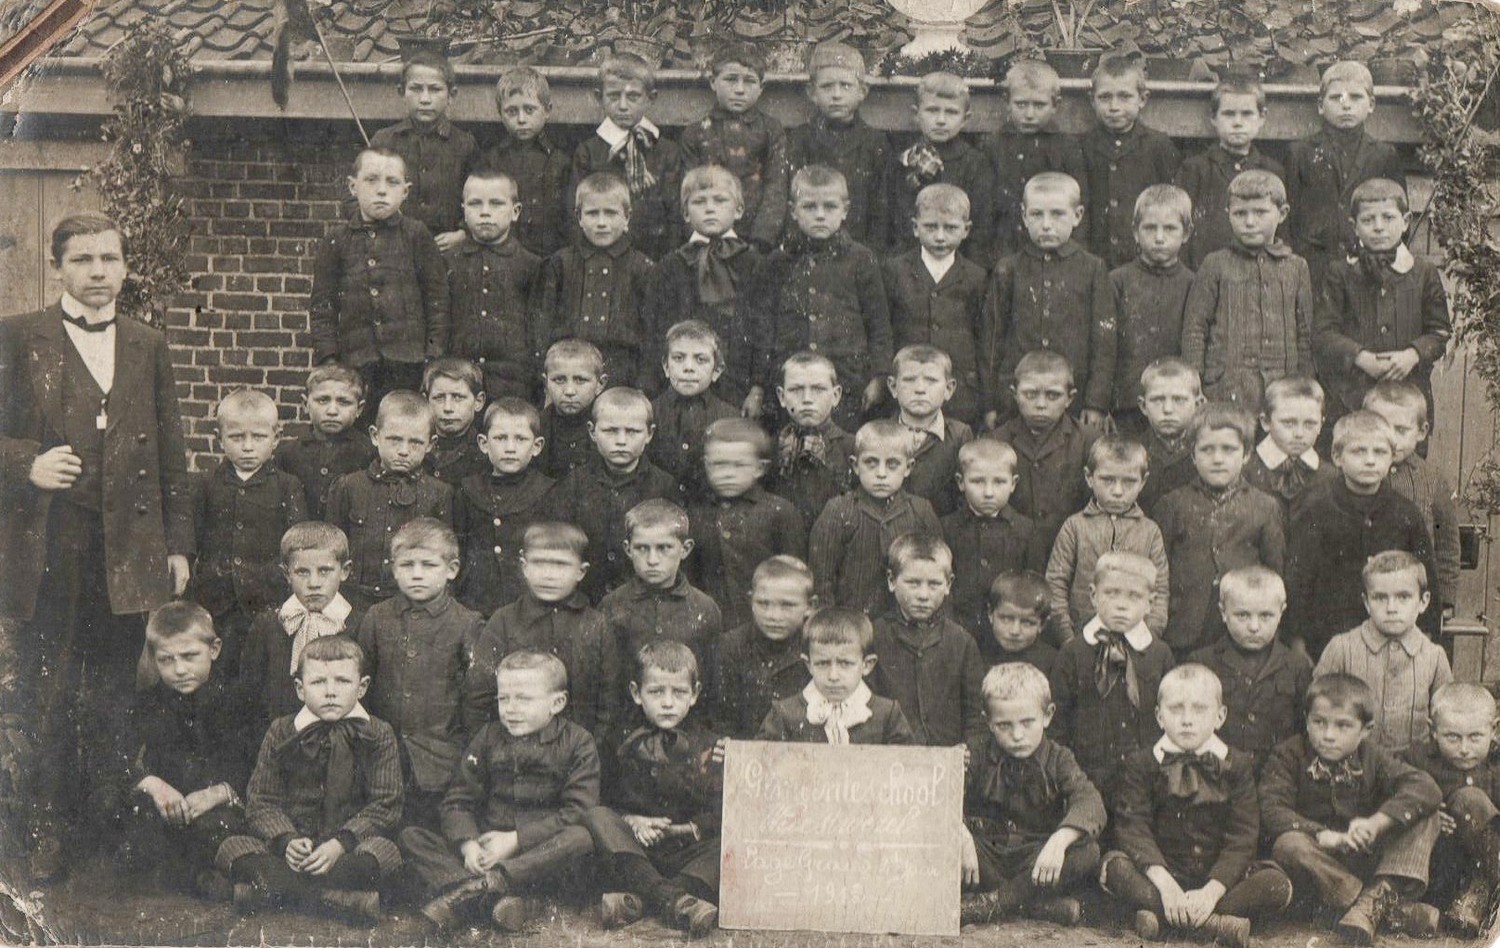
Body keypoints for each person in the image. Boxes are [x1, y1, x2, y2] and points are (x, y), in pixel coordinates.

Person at [0, 212, 193, 878]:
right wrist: (25, 463)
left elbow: (171, 450)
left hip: (127, 549)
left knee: (116, 689)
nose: (98, 272)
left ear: (125, 266)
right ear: (58, 267)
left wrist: (177, 544)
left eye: (109, 258)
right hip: (50, 545)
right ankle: (46, 831)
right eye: (82, 260)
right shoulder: (17, 336)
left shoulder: (147, 343)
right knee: (46, 690)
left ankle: (109, 829)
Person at [402, 651, 598, 933]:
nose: (511, 709)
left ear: (557, 703)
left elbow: (578, 810)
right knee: (411, 835)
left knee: (581, 838)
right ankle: (485, 893)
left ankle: (477, 893)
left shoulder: (577, 742)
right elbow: (458, 800)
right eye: (504, 699)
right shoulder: (488, 736)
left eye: (524, 699)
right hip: (486, 847)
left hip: (537, 853)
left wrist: (516, 839)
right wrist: (468, 844)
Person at [217, 635, 403, 927]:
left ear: (362, 686)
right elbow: (261, 801)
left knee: (383, 855)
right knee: (231, 848)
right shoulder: (281, 731)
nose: (330, 692)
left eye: (343, 681)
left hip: (348, 849)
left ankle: (272, 893)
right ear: (300, 689)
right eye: (318, 682)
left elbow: (385, 804)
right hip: (292, 850)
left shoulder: (378, 734)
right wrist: (287, 841)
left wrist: (339, 844)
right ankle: (338, 899)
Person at [1102, 664, 1293, 948]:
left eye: (1199, 710)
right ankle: (1215, 925)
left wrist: (1212, 891)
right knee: (1114, 868)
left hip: (1217, 880)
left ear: (1220, 716)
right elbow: (1134, 828)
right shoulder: (1142, 764)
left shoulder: (1237, 765)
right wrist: (1166, 886)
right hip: (1163, 876)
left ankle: (1165, 919)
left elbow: (1242, 836)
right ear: (1159, 716)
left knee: (1275, 884)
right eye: (1176, 709)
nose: (1187, 720)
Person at [1261, 673, 1443, 945]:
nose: (1328, 735)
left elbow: (1425, 786)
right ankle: (1377, 908)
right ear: (1306, 720)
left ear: (1365, 729)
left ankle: (1378, 896)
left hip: (1366, 858)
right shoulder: (1288, 755)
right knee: (1288, 844)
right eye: (1319, 722)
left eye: (1343, 725)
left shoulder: (1373, 756)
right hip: (1321, 865)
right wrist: (1322, 834)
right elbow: (1272, 808)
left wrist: (1376, 823)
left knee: (1429, 816)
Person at [105, 602, 254, 897]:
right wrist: (152, 784)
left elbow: (253, 761)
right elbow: (115, 756)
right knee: (121, 813)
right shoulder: (148, 703)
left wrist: (219, 792)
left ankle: (201, 877)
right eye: (166, 660)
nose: (180, 670)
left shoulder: (237, 699)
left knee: (217, 829)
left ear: (214, 649)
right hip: (168, 806)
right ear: (153, 660)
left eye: (189, 656)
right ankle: (196, 874)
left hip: (217, 808)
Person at [583, 642, 721, 937]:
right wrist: (633, 821)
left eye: (679, 692)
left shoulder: (709, 745)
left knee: (727, 847)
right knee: (597, 817)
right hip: (637, 852)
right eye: (656, 692)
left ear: (694, 693)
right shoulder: (618, 742)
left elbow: (717, 810)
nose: (667, 703)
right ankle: (675, 901)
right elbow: (605, 798)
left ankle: (643, 901)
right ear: (637, 693)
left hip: (685, 852)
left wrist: (680, 830)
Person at [743, 165, 893, 429]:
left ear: (845, 210)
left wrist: (879, 377)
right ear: (793, 211)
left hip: (847, 383)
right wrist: (757, 387)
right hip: (790, 385)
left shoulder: (861, 260)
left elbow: (878, 324)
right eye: (810, 207)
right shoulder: (777, 263)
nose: (820, 215)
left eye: (830, 207)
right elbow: (764, 328)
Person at [356, 518, 483, 828]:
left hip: (441, 760)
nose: (416, 574)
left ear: (452, 569)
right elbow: (361, 684)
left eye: (428, 565)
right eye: (406, 565)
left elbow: (475, 700)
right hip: (382, 756)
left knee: (426, 830)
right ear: (394, 569)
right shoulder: (377, 617)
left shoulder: (467, 623)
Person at [959, 663, 1104, 927]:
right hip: (988, 855)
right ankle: (1034, 906)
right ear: (988, 721)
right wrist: (961, 835)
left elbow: (1090, 801)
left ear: (1047, 715)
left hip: (1035, 859)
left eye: (1027, 723)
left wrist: (1059, 842)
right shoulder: (976, 753)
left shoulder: (1059, 758)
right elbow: (944, 798)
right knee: (948, 840)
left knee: (1088, 851)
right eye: (1004, 725)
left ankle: (994, 903)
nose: (1017, 735)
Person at [1284, 410, 1436, 658]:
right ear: (1337, 457)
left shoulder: (1405, 513)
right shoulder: (1316, 511)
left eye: (1380, 452)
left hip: (1392, 639)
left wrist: (1426, 636)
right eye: (1358, 451)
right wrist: (1297, 643)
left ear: (1392, 457)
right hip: (1327, 639)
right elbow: (1298, 581)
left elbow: (1426, 575)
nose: (1370, 460)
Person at [309, 148, 449, 415]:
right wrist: (330, 360)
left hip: (409, 364)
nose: (382, 190)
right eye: (371, 180)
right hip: (355, 364)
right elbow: (322, 307)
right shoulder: (337, 240)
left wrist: (433, 357)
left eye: (392, 182)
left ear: (405, 191)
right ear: (353, 186)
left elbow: (437, 300)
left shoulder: (416, 235)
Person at [1315, 178, 1451, 428]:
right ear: (1354, 226)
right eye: (1368, 220)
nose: (1379, 227)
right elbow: (1324, 332)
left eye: (1388, 218)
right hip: (1352, 396)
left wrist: (1413, 354)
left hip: (1408, 394)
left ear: (1406, 221)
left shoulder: (1424, 273)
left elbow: (1439, 332)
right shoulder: (1340, 272)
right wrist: (1360, 357)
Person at [188, 390, 307, 675]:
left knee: (260, 671)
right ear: (219, 438)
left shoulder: (287, 486)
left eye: (259, 437)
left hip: (268, 600)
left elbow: (297, 546)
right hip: (215, 601)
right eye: (237, 437)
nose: (248, 447)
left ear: (276, 438)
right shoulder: (205, 484)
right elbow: (192, 538)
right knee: (217, 672)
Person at [983, 172, 1115, 427]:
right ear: (1024, 216)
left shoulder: (1093, 268)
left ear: (1077, 215)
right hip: (1017, 401)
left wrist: (1096, 403)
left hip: (1073, 400)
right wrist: (990, 404)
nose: (1046, 225)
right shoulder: (1008, 268)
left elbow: (1104, 343)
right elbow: (992, 340)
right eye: (1036, 214)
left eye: (1057, 214)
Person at [1153, 403, 1285, 658]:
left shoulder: (1265, 506)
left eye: (1228, 449)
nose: (1217, 459)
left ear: (1246, 454)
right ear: (1192, 456)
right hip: (1183, 631)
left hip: (1240, 630)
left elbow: (1274, 573)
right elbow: (1159, 572)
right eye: (1207, 450)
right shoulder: (1172, 505)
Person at [466, 522, 616, 744]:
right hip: (512, 749)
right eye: (539, 563)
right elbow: (479, 695)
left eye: (560, 565)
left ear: (581, 571)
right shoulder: (504, 621)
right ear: (524, 567)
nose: (548, 575)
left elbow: (609, 700)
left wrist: (592, 748)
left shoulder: (597, 625)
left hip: (580, 752)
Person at [1180, 169, 1314, 415]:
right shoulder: (1215, 264)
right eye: (1240, 213)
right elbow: (1195, 329)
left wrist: (1305, 386)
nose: (1250, 222)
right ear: (1228, 214)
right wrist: (1194, 385)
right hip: (1225, 388)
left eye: (1260, 212)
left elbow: (1305, 334)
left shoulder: (1297, 267)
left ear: (1282, 213)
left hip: (1283, 388)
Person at [1049, 551, 1176, 800]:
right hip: (1085, 776)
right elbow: (1058, 721)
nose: (1121, 605)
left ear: (1150, 603)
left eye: (1134, 596)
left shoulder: (1159, 654)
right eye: (1111, 593)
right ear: (1093, 595)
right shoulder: (1074, 652)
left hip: (1144, 779)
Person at [641, 167, 764, 405]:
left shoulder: (754, 264)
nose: (710, 208)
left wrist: (757, 387)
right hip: (682, 379)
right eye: (699, 202)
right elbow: (655, 331)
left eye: (720, 200)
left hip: (738, 379)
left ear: (739, 209)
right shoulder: (670, 266)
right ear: (685, 213)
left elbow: (762, 327)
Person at [1314, 550, 1452, 754]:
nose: (1391, 608)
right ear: (1366, 602)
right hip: (1353, 761)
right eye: (1380, 598)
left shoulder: (1435, 657)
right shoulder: (1341, 648)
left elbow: (1446, 720)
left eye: (1403, 597)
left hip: (1414, 765)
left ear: (1423, 601)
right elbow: (1317, 710)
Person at [545, 386, 678, 599]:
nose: (621, 441)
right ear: (592, 431)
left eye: (632, 431)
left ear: (649, 434)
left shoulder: (664, 486)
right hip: (584, 598)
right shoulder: (573, 484)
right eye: (610, 431)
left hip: (643, 599)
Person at [1285, 60, 1407, 292]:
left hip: (1367, 268)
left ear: (1371, 104)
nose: (1346, 105)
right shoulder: (1300, 153)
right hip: (1312, 269)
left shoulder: (1384, 155)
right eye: (1336, 98)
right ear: (1320, 106)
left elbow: (1400, 217)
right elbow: (1287, 219)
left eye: (1355, 97)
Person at [325, 391, 453, 609]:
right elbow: (331, 552)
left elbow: (444, 557)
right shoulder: (348, 487)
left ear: (430, 444)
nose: (403, 451)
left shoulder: (439, 494)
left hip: (411, 605)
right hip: (354, 602)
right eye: (394, 440)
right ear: (375, 436)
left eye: (415, 443)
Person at [600, 499, 724, 710]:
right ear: (628, 549)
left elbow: (712, 682)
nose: (652, 560)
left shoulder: (705, 608)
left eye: (664, 548)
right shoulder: (612, 605)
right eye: (642, 548)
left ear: (685, 548)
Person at [1045, 434, 1170, 644]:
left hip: (1136, 641)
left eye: (1129, 481)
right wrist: (1067, 637)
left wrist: (1147, 639)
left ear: (1143, 482)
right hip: (1081, 638)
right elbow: (1056, 583)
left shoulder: (1150, 532)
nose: (1117, 491)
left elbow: (1160, 590)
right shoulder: (1075, 526)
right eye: (1108, 480)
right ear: (1089, 477)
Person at [534, 173, 656, 388]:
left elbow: (650, 332)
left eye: (610, 213)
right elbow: (543, 325)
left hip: (623, 373)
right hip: (568, 372)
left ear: (627, 217)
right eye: (592, 213)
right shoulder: (560, 263)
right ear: (579, 217)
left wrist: (642, 385)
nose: (601, 223)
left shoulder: (642, 268)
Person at [808, 418, 942, 614]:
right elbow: (822, 579)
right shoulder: (838, 510)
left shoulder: (921, 511)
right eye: (871, 463)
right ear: (855, 465)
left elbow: (938, 571)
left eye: (892, 464)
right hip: (851, 623)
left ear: (908, 467)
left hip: (904, 624)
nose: (881, 473)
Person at [1187, 566, 1313, 773]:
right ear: (1223, 612)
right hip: (1219, 774)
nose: (1254, 627)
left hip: (1277, 775)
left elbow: (1304, 730)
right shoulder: (1203, 662)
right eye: (1243, 615)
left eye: (1265, 616)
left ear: (1281, 613)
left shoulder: (1296, 666)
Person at [239, 522, 363, 732]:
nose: (314, 583)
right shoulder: (269, 624)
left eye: (324, 571)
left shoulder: (358, 624)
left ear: (344, 571)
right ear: (287, 574)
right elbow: (251, 694)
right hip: (280, 738)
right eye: (302, 572)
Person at [883, 184, 989, 428]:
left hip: (959, 392)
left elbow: (982, 338)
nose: (940, 236)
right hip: (909, 389)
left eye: (950, 228)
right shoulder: (895, 271)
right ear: (915, 227)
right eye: (931, 227)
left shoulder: (977, 276)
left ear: (966, 230)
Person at [686, 418, 806, 632]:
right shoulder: (697, 514)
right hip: (711, 624)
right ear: (706, 464)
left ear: (760, 468)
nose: (728, 473)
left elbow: (795, 575)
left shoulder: (780, 512)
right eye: (719, 464)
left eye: (739, 465)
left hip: (765, 623)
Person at [871, 533, 987, 748]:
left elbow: (976, 716)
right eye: (913, 583)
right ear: (891, 581)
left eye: (934, 584)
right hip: (890, 757)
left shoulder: (962, 642)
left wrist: (969, 750)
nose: (923, 595)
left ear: (948, 584)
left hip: (947, 757)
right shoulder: (875, 636)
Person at [1402, 683, 1500, 936]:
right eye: (1453, 737)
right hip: (1438, 865)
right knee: (1468, 799)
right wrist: (1427, 813)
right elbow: (1397, 799)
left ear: (1494, 729)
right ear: (1433, 730)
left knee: (1473, 802)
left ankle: (1476, 899)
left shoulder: (1496, 766)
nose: (1464, 748)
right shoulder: (1418, 761)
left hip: (1484, 865)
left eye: (1475, 737)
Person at [569, 53, 684, 259]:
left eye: (633, 97)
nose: (623, 106)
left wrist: (669, 260)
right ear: (599, 97)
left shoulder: (667, 151)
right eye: (614, 96)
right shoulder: (588, 151)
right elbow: (576, 212)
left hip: (654, 254)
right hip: (602, 256)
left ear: (650, 98)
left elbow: (675, 214)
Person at [1364, 382, 1460, 622]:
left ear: (1421, 431)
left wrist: (1445, 599)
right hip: (1367, 595)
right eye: (1381, 428)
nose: (1391, 439)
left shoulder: (1433, 480)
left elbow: (1447, 544)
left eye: (1401, 430)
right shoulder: (1359, 474)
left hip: (1415, 598)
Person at [678, 41, 788, 251]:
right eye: (730, 79)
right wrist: (697, 238)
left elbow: (776, 188)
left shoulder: (771, 130)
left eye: (749, 81)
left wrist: (762, 240)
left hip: (754, 240)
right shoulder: (696, 133)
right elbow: (687, 191)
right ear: (713, 82)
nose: (739, 89)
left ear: (761, 88)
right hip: (707, 236)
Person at [444, 169, 543, 401]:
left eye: (496, 204)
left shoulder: (532, 265)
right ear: (464, 210)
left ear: (515, 211)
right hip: (458, 381)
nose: (485, 212)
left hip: (513, 382)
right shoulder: (448, 262)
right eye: (475, 204)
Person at [784, 41, 891, 251]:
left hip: (859, 249)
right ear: (811, 92)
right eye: (827, 86)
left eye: (845, 86)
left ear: (862, 92)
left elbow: (881, 207)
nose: (836, 94)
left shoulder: (874, 142)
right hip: (808, 247)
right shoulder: (800, 139)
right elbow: (791, 199)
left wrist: (873, 254)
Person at [453, 397, 555, 616]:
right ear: (483, 443)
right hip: (475, 602)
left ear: (537, 446)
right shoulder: (468, 490)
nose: (510, 448)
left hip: (527, 604)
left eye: (520, 439)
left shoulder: (547, 491)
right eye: (500, 438)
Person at [755, 607, 915, 744]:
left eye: (845, 663)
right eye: (822, 663)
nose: (833, 676)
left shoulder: (887, 715)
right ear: (808, 664)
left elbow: (907, 765)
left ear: (867, 665)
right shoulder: (784, 715)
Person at [992, 350, 1098, 556]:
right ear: (1014, 394)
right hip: (1015, 551)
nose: (1041, 404)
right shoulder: (997, 440)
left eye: (1053, 395)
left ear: (1070, 398)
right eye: (1030, 394)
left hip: (1072, 550)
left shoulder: (1089, 441)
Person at [369, 49, 476, 249]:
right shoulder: (384, 141)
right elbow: (354, 200)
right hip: (394, 249)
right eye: (416, 89)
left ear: (451, 95)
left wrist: (463, 233)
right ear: (402, 92)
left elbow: (481, 199)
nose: (425, 99)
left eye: (435, 89)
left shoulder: (465, 145)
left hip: (446, 252)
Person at [1081, 54, 1182, 268]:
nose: (1114, 106)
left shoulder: (1158, 146)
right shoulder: (1083, 147)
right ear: (1092, 100)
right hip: (1095, 262)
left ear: (1142, 99)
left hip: (1143, 262)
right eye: (1105, 97)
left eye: (1125, 97)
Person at [1111, 187, 1197, 432]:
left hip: (1174, 403)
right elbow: (1105, 347)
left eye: (1170, 229)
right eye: (1150, 228)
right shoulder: (1117, 281)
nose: (1159, 238)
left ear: (1186, 233)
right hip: (1126, 402)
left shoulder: (1194, 283)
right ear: (1135, 232)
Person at [1174, 77, 1284, 269]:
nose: (1237, 123)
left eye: (1247, 114)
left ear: (1262, 117)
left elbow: (1282, 234)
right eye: (1229, 114)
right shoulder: (1194, 170)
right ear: (1213, 117)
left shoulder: (1273, 171)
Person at [887, 72, 997, 261]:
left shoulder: (976, 164)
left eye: (951, 112)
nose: (941, 120)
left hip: (959, 263)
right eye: (932, 110)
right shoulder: (905, 160)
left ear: (965, 119)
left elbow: (981, 227)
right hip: (908, 263)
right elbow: (892, 221)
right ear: (916, 114)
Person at [941, 437, 1043, 639]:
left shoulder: (1026, 531)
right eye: (978, 481)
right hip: (958, 633)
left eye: (999, 482)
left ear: (1013, 483)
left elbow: (1033, 591)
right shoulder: (947, 528)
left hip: (1008, 635)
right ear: (961, 482)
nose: (988, 493)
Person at [988, 59, 1089, 259]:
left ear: (1055, 105)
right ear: (1007, 102)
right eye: (1021, 104)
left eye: (1039, 105)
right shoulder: (995, 144)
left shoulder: (1066, 147)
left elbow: (1081, 199)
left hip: (1053, 246)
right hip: (1006, 248)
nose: (1029, 114)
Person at [714, 555, 816, 738]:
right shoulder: (731, 647)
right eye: (763, 603)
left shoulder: (816, 648)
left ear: (810, 606)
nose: (774, 616)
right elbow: (720, 719)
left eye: (787, 605)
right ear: (751, 601)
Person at [483, 67, 571, 258]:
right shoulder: (493, 160)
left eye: (529, 110)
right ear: (500, 113)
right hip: (503, 256)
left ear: (547, 110)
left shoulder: (560, 161)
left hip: (549, 257)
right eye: (512, 111)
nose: (521, 119)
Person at [766, 351, 856, 530]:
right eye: (796, 390)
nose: (807, 399)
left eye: (818, 389)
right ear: (782, 397)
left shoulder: (852, 446)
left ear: (836, 395)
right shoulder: (771, 448)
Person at [274, 365, 376, 520]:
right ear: (305, 404)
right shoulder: (287, 454)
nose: (332, 411)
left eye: (343, 402)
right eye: (323, 400)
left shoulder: (369, 453)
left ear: (359, 409)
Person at [648, 320, 738, 483]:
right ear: (666, 367)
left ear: (717, 370)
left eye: (700, 359)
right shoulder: (649, 412)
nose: (688, 367)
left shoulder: (730, 417)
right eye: (678, 358)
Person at [888, 344, 974, 516]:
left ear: (949, 389)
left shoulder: (960, 435)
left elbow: (966, 497)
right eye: (909, 380)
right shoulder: (881, 434)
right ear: (893, 386)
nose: (920, 389)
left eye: (931, 381)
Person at [1241, 376, 1335, 517]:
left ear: (1321, 424)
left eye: (1310, 424)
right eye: (1288, 423)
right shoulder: (1245, 471)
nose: (1299, 434)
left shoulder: (1330, 476)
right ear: (1265, 422)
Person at [1132, 358, 1204, 516]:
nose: (1168, 409)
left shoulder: (1206, 452)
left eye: (1179, 400)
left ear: (1198, 405)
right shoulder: (1131, 451)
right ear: (1143, 406)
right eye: (1157, 400)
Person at [537, 338, 607, 479]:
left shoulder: (608, 426)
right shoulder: (537, 426)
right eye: (559, 380)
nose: (569, 391)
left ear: (600, 383)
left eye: (580, 380)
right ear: (546, 383)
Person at [422, 357, 489, 487]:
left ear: (478, 401)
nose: (448, 408)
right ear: (426, 401)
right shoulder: (415, 446)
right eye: (439, 397)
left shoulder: (484, 454)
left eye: (458, 397)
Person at [982, 571, 1057, 674]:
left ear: (1042, 624)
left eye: (1027, 623)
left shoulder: (1053, 664)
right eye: (1006, 619)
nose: (1015, 631)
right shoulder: (978, 656)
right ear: (990, 613)